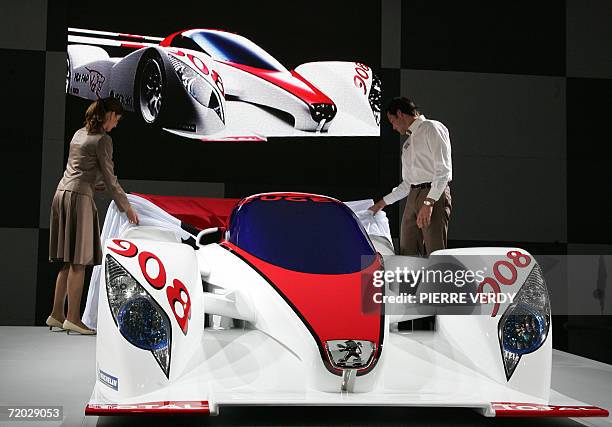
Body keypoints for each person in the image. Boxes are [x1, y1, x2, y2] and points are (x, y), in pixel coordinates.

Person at [47, 98, 139, 335]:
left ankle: (56, 315)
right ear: (108, 115)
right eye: (116, 119)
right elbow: (109, 178)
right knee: (80, 260)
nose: (116, 125)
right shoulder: (103, 140)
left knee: (68, 260)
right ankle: (74, 318)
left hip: (62, 193)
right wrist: (126, 207)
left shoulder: (79, 134)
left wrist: (96, 187)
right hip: (79, 198)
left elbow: (83, 169)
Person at [369, 97, 452, 256]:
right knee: (407, 249)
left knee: (435, 250)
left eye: (392, 121)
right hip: (413, 195)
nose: (393, 127)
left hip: (432, 193)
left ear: (400, 113)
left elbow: (443, 171)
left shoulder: (431, 127)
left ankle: (438, 281)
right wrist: (381, 204)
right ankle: (409, 282)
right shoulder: (408, 144)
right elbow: (407, 184)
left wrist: (429, 202)